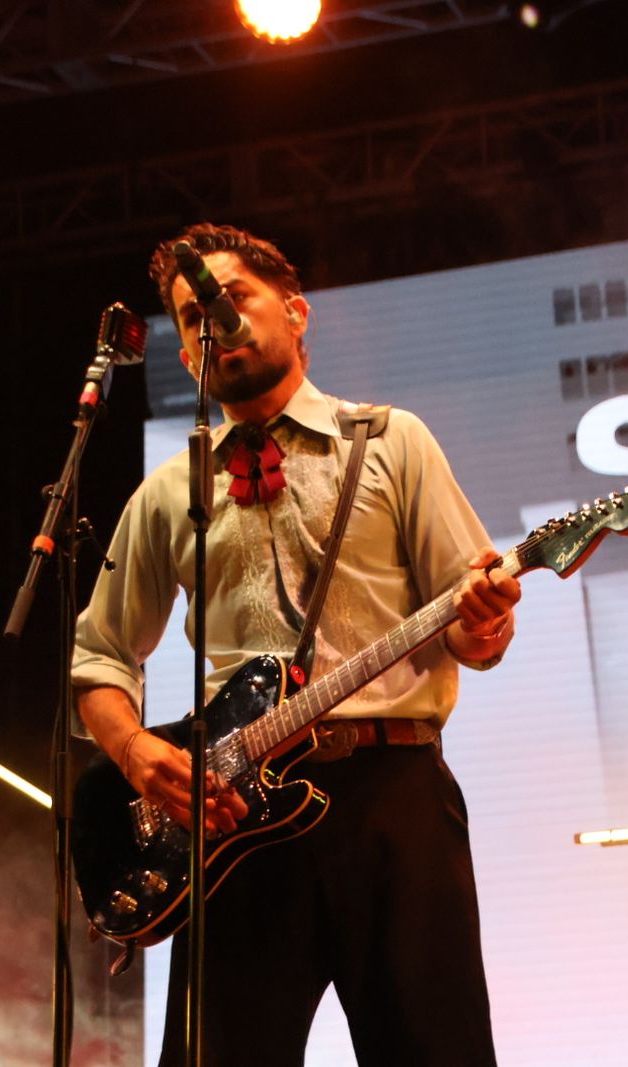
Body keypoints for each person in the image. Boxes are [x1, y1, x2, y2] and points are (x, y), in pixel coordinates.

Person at [72, 222, 520, 1065]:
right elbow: (98, 657)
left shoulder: (393, 441)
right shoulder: (170, 490)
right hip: (233, 814)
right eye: (191, 316)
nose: (214, 323)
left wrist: (488, 618)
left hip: (395, 795)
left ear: (295, 311)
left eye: (229, 298)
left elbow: (474, 630)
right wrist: (136, 756)